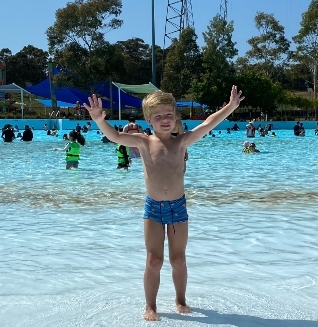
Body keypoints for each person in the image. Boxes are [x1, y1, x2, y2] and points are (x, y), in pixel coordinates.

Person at [83, 85, 244, 321]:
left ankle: (181, 300)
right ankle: (150, 306)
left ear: (176, 117)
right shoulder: (144, 142)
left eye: (169, 115)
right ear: (149, 120)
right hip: (153, 208)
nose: (165, 120)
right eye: (158, 116)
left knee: (178, 259)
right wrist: (99, 120)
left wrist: (230, 107)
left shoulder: (182, 142)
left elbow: (208, 124)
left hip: (177, 206)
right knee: (154, 260)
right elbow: (115, 136)